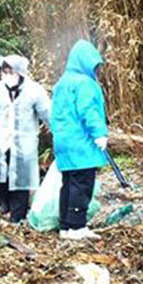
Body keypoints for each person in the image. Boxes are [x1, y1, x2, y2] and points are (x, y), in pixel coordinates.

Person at [0, 55, 51, 222]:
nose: (7, 74)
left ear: (20, 72)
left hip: (24, 143)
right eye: (5, 71)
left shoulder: (34, 90)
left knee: (21, 182)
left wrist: (59, 132)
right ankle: (5, 202)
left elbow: (47, 114)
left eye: (11, 71)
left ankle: (17, 217)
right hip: (2, 141)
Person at [50, 40, 108, 241]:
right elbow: (88, 111)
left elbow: (54, 115)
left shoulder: (62, 83)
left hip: (64, 143)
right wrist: (99, 133)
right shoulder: (84, 83)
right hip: (81, 144)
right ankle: (77, 226)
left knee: (68, 183)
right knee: (82, 184)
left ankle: (65, 226)